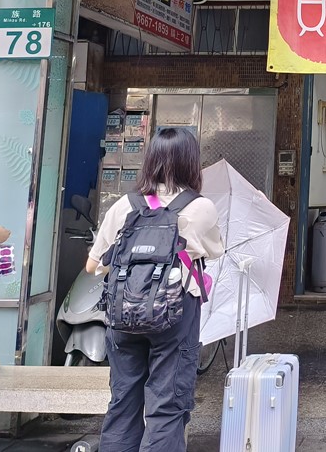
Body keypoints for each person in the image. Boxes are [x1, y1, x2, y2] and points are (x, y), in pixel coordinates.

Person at [86, 127, 224, 452]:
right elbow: (215, 251)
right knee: (167, 409)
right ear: (191, 162)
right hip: (173, 317)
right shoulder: (201, 208)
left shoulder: (124, 206)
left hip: (122, 318)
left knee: (123, 404)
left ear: (150, 161)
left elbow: (94, 266)